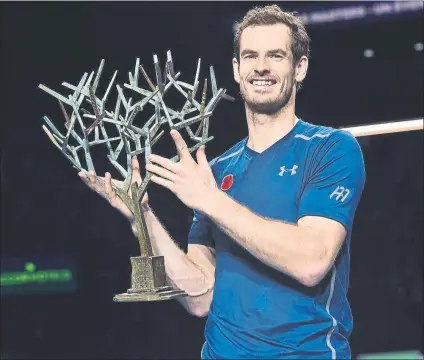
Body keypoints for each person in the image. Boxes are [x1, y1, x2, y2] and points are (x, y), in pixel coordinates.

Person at [79, 5, 366, 359]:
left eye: (276, 56)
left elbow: (311, 262)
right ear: (236, 70)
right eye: (250, 56)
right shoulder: (214, 171)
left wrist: (211, 200)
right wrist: (142, 216)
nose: (261, 67)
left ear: (300, 67)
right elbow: (199, 297)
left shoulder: (331, 149)